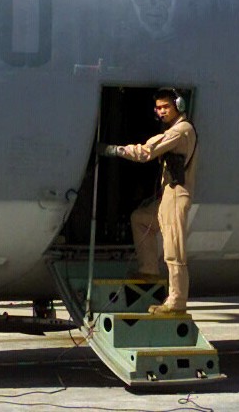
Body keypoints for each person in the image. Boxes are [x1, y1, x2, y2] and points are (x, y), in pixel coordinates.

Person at [99, 89, 198, 315]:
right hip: (167, 195)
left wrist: (114, 150)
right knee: (141, 219)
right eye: (158, 108)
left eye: (166, 107)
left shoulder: (181, 131)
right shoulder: (175, 129)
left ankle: (176, 302)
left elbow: (146, 152)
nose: (161, 112)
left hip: (176, 196)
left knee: (174, 250)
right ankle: (149, 269)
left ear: (178, 106)